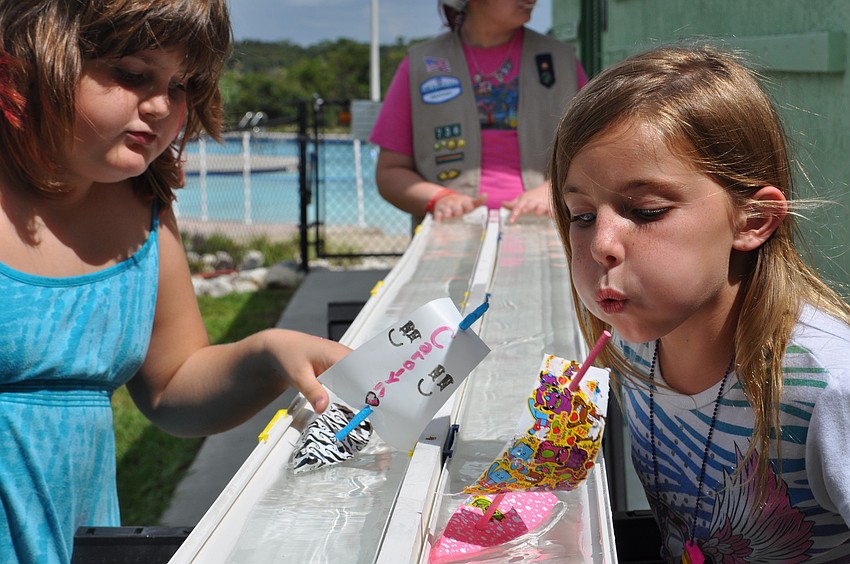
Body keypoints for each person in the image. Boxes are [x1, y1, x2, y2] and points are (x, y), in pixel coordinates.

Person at [0, 1, 351, 562]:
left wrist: (267, 354)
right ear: (35, 58)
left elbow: (171, 385)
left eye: (182, 84)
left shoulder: (144, 208)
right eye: (132, 75)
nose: (162, 105)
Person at [549, 44, 850, 561]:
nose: (601, 244)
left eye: (645, 210)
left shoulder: (826, 388)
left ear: (752, 220)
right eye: (581, 215)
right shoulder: (636, 348)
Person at [370, 0, 587, 225]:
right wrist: (439, 199)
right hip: (451, 241)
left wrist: (552, 191)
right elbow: (390, 172)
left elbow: (594, 155)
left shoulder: (561, 61)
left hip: (548, 231)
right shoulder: (420, 65)